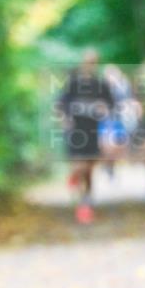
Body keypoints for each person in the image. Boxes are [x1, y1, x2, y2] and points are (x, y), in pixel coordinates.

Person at [57, 48, 114, 224]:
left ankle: (86, 203)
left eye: (94, 62)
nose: (90, 64)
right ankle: (80, 198)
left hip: (93, 130)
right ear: (83, 62)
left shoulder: (101, 84)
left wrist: (104, 110)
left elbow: (111, 105)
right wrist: (64, 120)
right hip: (75, 130)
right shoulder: (73, 83)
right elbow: (60, 104)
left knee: (89, 170)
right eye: (88, 61)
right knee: (79, 166)